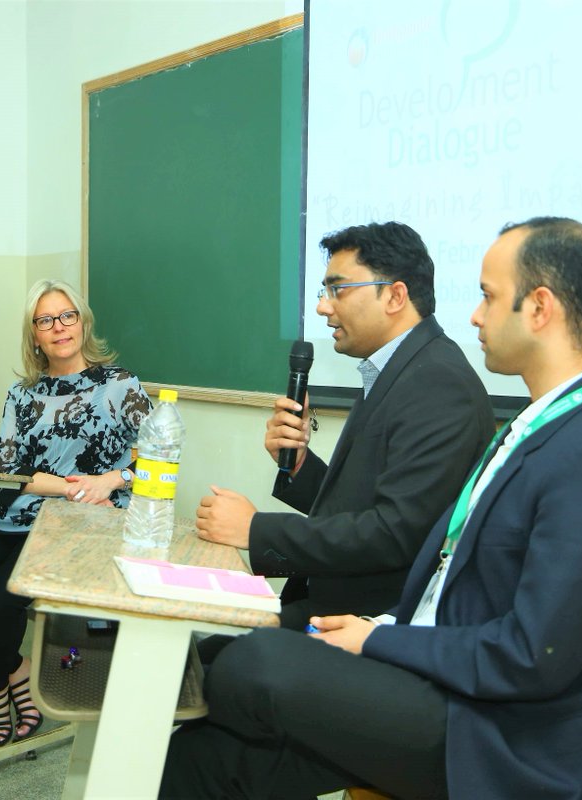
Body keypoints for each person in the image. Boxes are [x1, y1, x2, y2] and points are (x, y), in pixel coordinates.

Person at [161, 217, 582, 799]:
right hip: (436, 674)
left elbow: (532, 655)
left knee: (251, 665)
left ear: (539, 307)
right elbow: (443, 569)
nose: (474, 315)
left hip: (499, 731)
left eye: (488, 296)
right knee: (198, 755)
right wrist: (379, 629)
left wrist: (377, 640)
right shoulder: (532, 427)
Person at [195, 221, 493, 628]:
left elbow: (393, 534)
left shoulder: (439, 383)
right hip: (332, 603)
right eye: (325, 292)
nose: (323, 307)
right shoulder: (400, 368)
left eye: (338, 290)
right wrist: (299, 464)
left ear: (395, 296)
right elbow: (364, 505)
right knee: (204, 644)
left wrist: (255, 530)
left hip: (368, 621)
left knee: (220, 654)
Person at [0, 278, 151, 748]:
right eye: (46, 321)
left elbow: (163, 455)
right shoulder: (23, 395)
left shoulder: (119, 385)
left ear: (83, 323)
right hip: (13, 518)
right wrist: (73, 485)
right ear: (34, 335)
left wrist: (111, 479)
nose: (59, 327)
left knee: (0, 600)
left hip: (80, 525)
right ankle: (15, 669)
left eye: (67, 316)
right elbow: (9, 471)